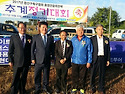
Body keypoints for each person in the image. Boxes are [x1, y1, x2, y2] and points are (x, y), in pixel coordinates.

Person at [8, 22, 32, 94]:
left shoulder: (29, 37)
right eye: (20, 27)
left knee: (24, 78)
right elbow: (10, 50)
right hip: (17, 61)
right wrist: (10, 60)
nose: (22, 29)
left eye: (24, 27)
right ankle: (14, 91)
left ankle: (22, 90)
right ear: (18, 28)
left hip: (26, 62)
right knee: (15, 78)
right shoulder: (14, 37)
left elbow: (31, 50)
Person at [31, 21, 54, 94]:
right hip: (38, 60)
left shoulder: (50, 37)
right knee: (37, 75)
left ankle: (45, 87)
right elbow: (32, 49)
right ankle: (37, 88)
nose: (44, 29)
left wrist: (52, 57)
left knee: (46, 75)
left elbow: (52, 49)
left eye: (46, 27)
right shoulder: (35, 37)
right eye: (43, 27)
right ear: (39, 28)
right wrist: (32, 58)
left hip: (47, 60)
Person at [71, 24, 93, 94]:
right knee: (74, 76)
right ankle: (74, 87)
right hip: (74, 61)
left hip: (84, 61)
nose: (81, 32)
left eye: (82, 30)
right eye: (79, 30)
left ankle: (82, 88)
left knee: (83, 76)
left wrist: (89, 61)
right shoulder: (73, 39)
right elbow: (70, 50)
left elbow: (90, 51)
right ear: (76, 31)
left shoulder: (87, 40)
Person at [90, 24, 110, 94]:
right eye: (99, 29)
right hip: (95, 58)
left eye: (102, 29)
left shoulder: (106, 39)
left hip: (103, 58)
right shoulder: (92, 39)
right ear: (96, 30)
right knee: (93, 73)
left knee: (102, 74)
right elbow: (90, 50)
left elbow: (108, 50)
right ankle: (92, 87)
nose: (101, 31)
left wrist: (108, 59)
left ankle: (101, 88)